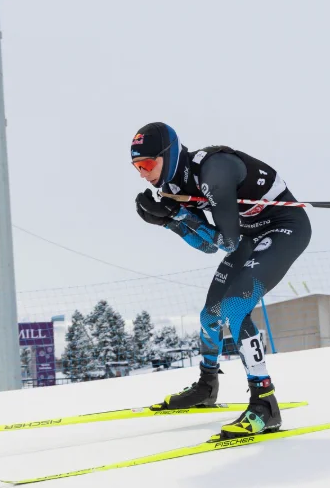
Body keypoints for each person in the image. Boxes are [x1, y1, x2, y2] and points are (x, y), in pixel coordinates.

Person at [132, 122, 311, 438]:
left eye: (147, 164)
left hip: (283, 228)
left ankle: (265, 403)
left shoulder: (214, 170)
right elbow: (205, 245)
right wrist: (169, 223)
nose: (143, 174)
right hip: (248, 236)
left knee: (234, 307)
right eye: (137, 167)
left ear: (169, 155)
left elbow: (225, 241)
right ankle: (207, 386)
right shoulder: (173, 187)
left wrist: (178, 217)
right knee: (209, 317)